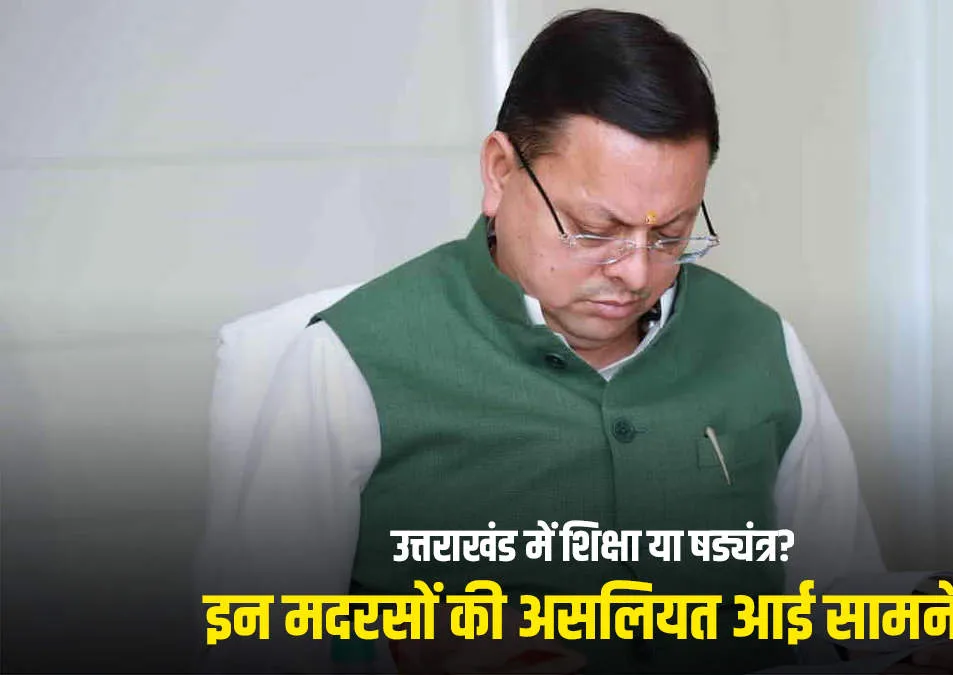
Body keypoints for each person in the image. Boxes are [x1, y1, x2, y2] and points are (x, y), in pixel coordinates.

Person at [205, 8, 883, 673]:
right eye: (594, 229)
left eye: (671, 234)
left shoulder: (760, 345)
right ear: (500, 172)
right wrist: (403, 655)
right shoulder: (349, 364)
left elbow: (849, 606)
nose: (636, 273)